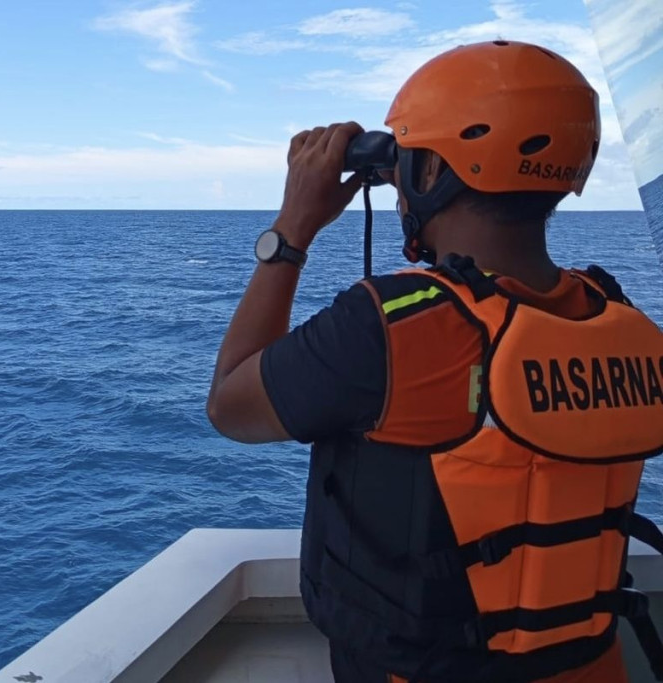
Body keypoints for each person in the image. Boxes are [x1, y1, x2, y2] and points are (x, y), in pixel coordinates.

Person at [206, 40, 663, 683]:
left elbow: (229, 405)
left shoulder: (391, 328)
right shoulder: (622, 322)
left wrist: (292, 230)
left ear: (427, 176)